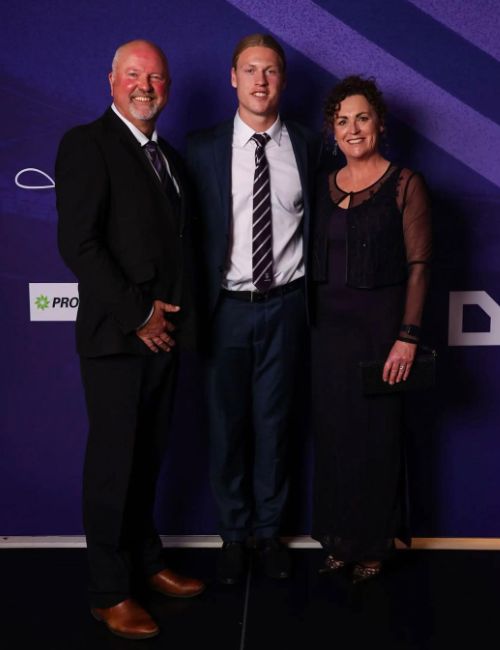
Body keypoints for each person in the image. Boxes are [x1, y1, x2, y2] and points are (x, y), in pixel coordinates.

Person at [55, 40, 204, 640]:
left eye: (156, 77)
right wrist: (139, 314)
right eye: (134, 76)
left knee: (148, 460)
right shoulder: (86, 144)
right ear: (110, 82)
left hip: (163, 338)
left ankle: (146, 562)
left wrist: (166, 322)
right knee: (115, 467)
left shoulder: (167, 156)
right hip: (118, 337)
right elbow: (80, 245)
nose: (146, 86)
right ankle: (108, 590)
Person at [187, 34, 320, 584]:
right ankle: (234, 535)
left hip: (286, 305)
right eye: (250, 69)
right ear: (233, 78)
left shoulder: (311, 147)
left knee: (275, 424)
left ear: (282, 80)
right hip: (226, 308)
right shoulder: (201, 149)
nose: (260, 80)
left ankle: (268, 535)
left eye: (270, 70)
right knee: (226, 426)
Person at [311, 76, 431, 583]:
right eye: (342, 121)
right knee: (335, 440)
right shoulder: (324, 183)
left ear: (380, 123)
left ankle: (373, 546)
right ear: (332, 132)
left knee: (377, 442)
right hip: (327, 337)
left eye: (362, 117)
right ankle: (341, 539)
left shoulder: (406, 183)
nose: (353, 128)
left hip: (381, 336)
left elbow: (421, 265)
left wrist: (407, 336)